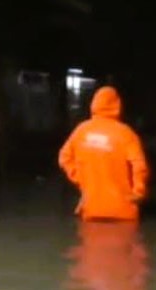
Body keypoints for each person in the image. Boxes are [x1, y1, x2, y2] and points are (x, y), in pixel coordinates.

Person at [58, 86, 150, 221]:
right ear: (118, 105)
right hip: (124, 211)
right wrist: (138, 191)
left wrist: (80, 178)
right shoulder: (126, 133)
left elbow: (64, 158)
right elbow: (139, 165)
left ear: (94, 104)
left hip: (91, 210)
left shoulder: (81, 131)